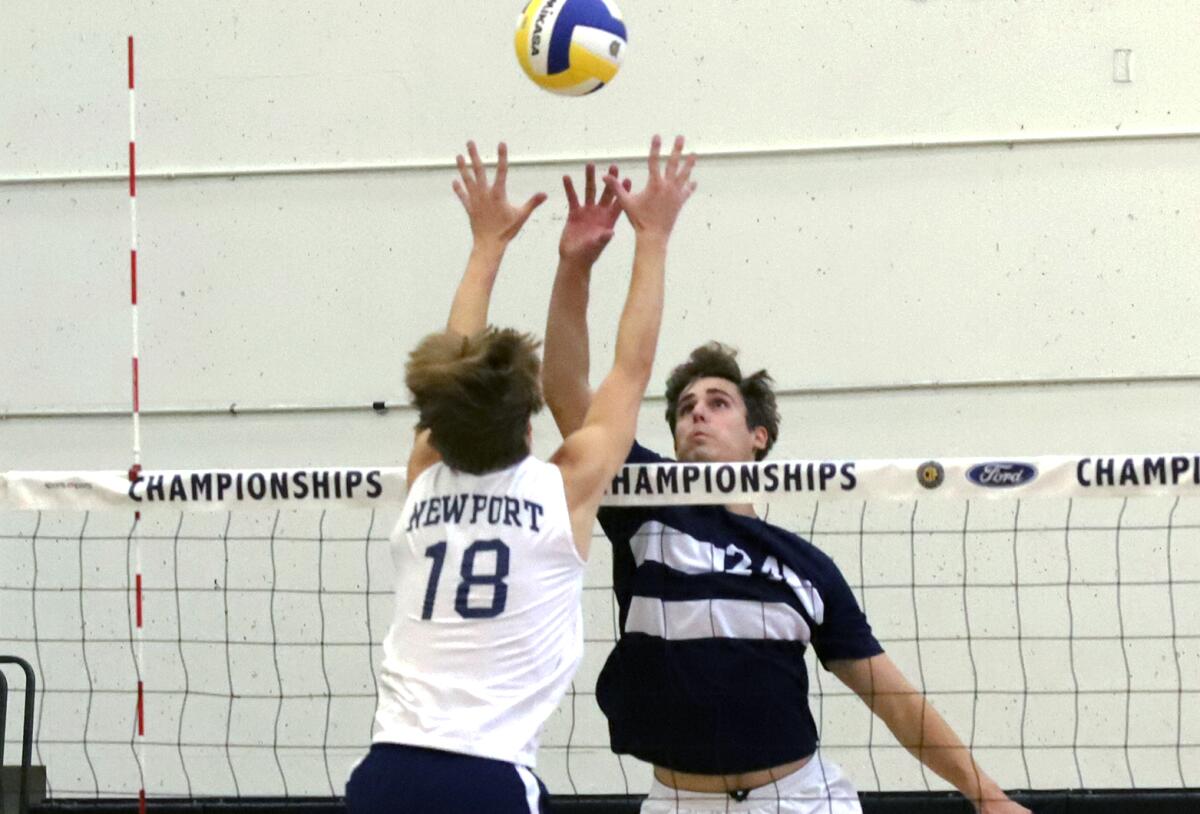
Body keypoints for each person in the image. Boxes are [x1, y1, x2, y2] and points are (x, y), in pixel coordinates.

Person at [542, 193, 1031, 813]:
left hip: (798, 799)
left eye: (718, 403)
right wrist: (575, 266)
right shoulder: (644, 504)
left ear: (758, 437)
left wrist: (986, 796)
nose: (698, 414)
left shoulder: (804, 567)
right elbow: (563, 390)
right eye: (686, 408)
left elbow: (892, 697)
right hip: (679, 803)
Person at [345, 136, 697, 813]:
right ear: (531, 427)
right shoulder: (559, 489)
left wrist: (486, 246)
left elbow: (453, 372)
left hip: (385, 773)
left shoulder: (422, 480)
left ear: (435, 429)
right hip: (486, 778)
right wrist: (649, 239)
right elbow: (632, 369)